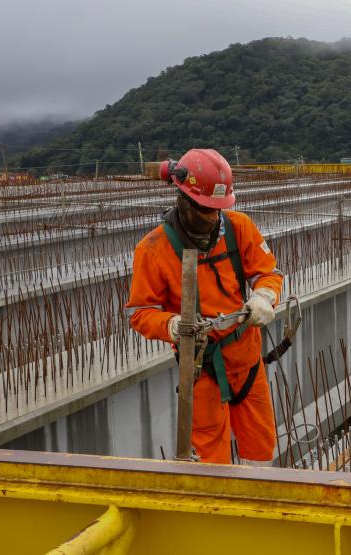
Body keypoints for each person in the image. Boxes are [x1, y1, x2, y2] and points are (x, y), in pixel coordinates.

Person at [125, 148, 283, 465]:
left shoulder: (239, 228)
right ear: (184, 199)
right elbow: (140, 314)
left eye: (218, 210)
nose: (213, 218)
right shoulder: (153, 250)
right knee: (212, 460)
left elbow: (268, 271)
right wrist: (170, 325)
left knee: (262, 452)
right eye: (206, 209)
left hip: (247, 360)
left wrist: (265, 295)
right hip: (200, 369)